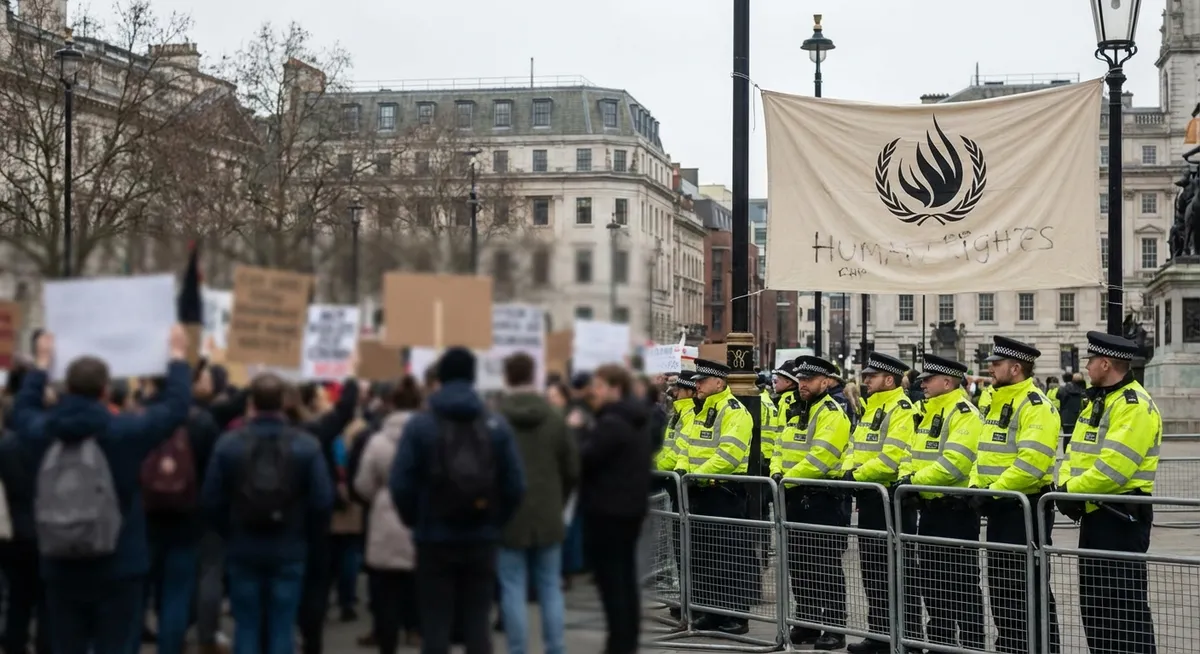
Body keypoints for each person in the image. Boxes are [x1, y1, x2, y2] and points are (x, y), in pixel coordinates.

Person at [13, 327, 192, 654]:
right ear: (106, 391)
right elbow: (176, 408)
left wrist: (40, 365)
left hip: (60, 559)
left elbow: (22, 410)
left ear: (67, 387)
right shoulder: (125, 431)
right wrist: (177, 358)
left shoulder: (43, 431)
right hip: (119, 562)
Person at [389, 347, 526, 654]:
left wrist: (416, 520)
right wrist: (496, 521)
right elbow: (516, 485)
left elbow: (400, 484)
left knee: (435, 624)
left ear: (440, 378)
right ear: (473, 377)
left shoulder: (420, 425)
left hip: (434, 536)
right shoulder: (496, 425)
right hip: (481, 536)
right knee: (477, 622)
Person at [201, 373, 334, 654]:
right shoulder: (306, 445)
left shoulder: (228, 444)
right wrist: (307, 535)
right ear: (284, 401)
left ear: (251, 402)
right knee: (282, 624)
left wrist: (229, 530)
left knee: (246, 624)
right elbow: (323, 501)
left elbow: (211, 499)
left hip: (243, 544)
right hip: (289, 545)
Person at [1058, 331, 1160, 653]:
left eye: (1090, 360)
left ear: (1105, 364)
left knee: (1124, 613)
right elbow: (1073, 453)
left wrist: (1069, 492)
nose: (1086, 366)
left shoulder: (1134, 405)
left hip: (1121, 519)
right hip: (1094, 514)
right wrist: (1066, 488)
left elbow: (1114, 469)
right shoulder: (1097, 401)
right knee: (1095, 609)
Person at [974, 336, 1061, 654]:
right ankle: (1010, 646)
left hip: (1024, 510)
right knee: (1001, 588)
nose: (990, 369)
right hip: (1000, 507)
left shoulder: (1035, 406)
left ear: (1015, 368)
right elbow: (982, 454)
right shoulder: (995, 401)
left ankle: (1039, 648)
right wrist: (976, 487)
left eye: (996, 364)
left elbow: (1032, 463)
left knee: (1028, 587)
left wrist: (993, 491)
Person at [496, 353, 579, 654]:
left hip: (509, 514)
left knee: (512, 587)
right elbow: (572, 470)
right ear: (534, 376)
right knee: (549, 587)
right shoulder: (555, 418)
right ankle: (555, 649)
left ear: (507, 377)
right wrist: (559, 500)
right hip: (548, 512)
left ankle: (517, 649)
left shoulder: (496, 419)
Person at [905, 354, 985, 650]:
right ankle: (940, 643)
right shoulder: (927, 411)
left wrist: (914, 481)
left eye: (929, 379)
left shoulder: (964, 413)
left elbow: (955, 464)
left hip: (956, 512)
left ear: (948, 382)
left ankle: (972, 644)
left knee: (962, 584)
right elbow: (911, 453)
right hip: (929, 510)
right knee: (931, 582)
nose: (923, 384)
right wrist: (909, 478)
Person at [842, 351, 920, 654]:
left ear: (889, 379)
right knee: (872, 571)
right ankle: (879, 634)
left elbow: (892, 458)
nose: (865, 381)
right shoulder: (872, 406)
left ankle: (907, 637)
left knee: (898, 572)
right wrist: (849, 471)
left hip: (890, 499)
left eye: (871, 376)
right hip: (870, 496)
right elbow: (854, 446)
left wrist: (855, 475)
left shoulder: (901, 409)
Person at [770, 355, 850, 650]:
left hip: (821, 499)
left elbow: (822, 457)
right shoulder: (795, 409)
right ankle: (807, 622)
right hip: (794, 495)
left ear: (825, 382)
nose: (802, 384)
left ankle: (835, 628)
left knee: (825, 565)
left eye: (809, 379)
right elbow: (779, 447)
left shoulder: (831, 413)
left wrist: (785, 478)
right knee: (800, 564)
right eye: (801, 379)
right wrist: (776, 471)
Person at [141, 374, 222, 654]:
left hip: (145, 518)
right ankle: (171, 646)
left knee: (139, 592)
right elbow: (212, 474)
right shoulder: (202, 422)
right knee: (177, 593)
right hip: (187, 519)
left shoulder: (138, 417)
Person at [671, 358, 753, 635]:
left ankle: (736, 615)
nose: (697, 385)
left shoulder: (734, 411)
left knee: (729, 556)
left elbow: (728, 456)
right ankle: (711, 612)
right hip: (700, 491)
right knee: (704, 555)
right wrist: (683, 470)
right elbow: (685, 448)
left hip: (723, 493)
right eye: (696, 381)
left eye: (702, 381)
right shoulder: (702, 410)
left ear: (719, 383)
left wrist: (694, 475)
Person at [576, 364, 650, 654]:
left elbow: (585, 458)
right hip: (628, 509)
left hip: (608, 511)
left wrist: (578, 430)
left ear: (614, 388)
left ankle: (619, 643)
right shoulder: (633, 419)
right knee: (624, 579)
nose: (594, 392)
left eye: (599, 386)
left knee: (613, 583)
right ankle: (625, 641)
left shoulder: (612, 423)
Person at [354, 376, 423, 654]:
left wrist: (379, 497)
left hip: (385, 517)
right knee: (417, 583)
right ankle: (415, 629)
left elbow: (363, 484)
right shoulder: (428, 438)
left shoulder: (378, 441)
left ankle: (387, 641)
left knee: (385, 593)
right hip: (419, 517)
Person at [1057, 373, 1085, 449]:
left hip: (1066, 416)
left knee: (1067, 437)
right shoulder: (1082, 390)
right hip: (1078, 416)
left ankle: (1066, 452)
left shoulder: (1063, 389)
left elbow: (1058, 396)